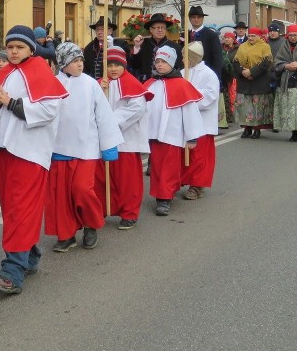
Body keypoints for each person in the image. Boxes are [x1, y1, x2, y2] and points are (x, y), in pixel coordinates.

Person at [0, 25, 67, 295]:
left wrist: (11, 103)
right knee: (12, 208)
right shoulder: (3, 73)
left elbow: (50, 109)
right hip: (5, 149)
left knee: (21, 208)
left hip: (29, 151)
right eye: (10, 47)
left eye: (19, 47)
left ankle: (12, 272)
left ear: (31, 48)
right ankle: (29, 257)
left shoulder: (40, 69)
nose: (14, 51)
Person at [46, 42, 122, 252]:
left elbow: (104, 116)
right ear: (63, 63)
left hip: (87, 148)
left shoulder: (90, 84)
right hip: (59, 148)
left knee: (82, 190)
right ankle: (66, 233)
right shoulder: (52, 83)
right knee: (61, 195)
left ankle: (91, 225)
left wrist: (109, 145)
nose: (80, 64)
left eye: (81, 60)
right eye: (74, 61)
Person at [93, 47, 151, 229]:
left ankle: (129, 212)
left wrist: (110, 121)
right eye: (109, 65)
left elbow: (137, 108)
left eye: (117, 65)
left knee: (127, 180)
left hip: (126, 140)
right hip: (103, 141)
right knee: (103, 178)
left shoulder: (132, 83)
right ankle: (103, 209)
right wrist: (98, 92)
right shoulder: (99, 84)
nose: (113, 69)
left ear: (124, 65)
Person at [144, 46, 204, 216]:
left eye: (164, 62)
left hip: (172, 134)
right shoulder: (150, 83)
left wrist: (192, 137)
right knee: (156, 166)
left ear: (172, 63)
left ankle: (164, 198)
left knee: (168, 167)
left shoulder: (181, 85)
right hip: (153, 134)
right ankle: (163, 193)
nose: (160, 65)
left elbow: (191, 113)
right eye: (158, 62)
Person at [181, 42, 220, 201]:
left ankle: (197, 185)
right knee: (185, 154)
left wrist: (189, 99)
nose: (182, 58)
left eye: (185, 55)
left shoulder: (209, 74)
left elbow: (210, 96)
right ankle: (184, 180)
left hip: (202, 122)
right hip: (185, 121)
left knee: (200, 156)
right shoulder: (183, 72)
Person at [232, 28, 275, 139]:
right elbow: (236, 61)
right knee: (245, 107)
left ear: (259, 37)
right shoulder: (242, 46)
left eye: (253, 36)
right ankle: (247, 128)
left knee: (258, 107)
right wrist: (243, 72)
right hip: (244, 80)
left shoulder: (265, 46)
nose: (250, 38)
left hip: (259, 80)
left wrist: (252, 72)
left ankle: (257, 129)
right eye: (249, 36)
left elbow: (267, 62)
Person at [129, 13, 183, 80]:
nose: (160, 30)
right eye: (157, 28)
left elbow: (179, 68)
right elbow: (135, 65)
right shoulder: (143, 44)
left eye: (162, 28)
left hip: (167, 83)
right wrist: (137, 47)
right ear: (151, 30)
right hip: (146, 83)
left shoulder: (175, 47)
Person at [187, 6, 223, 83]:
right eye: (193, 17)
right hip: (189, 74)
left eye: (199, 17)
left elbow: (217, 58)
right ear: (189, 19)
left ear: (203, 18)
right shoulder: (185, 35)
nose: (196, 19)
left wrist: (216, 78)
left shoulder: (211, 35)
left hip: (206, 75)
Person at [220, 32, 238, 126]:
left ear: (233, 39)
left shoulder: (237, 49)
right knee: (225, 97)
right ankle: (226, 117)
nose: (226, 39)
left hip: (233, 75)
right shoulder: (220, 48)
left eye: (229, 38)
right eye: (225, 37)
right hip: (223, 75)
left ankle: (233, 116)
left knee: (233, 96)